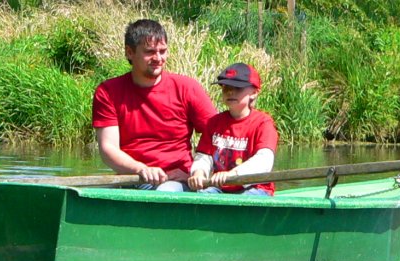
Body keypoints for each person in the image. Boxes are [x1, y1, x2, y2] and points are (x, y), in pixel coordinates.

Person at [91, 19, 216, 191]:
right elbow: (108, 148)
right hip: (132, 177)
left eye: (163, 51)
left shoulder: (187, 88)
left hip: (177, 182)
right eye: (150, 52)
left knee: (165, 190)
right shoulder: (108, 92)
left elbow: (217, 136)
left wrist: (196, 172)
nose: (158, 58)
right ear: (129, 52)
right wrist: (141, 169)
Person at [187, 62, 278, 196]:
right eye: (226, 88)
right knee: (203, 195)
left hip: (256, 188)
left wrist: (233, 174)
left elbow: (264, 161)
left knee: (245, 200)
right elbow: (204, 157)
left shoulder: (263, 123)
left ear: (254, 93)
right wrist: (198, 173)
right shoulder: (214, 123)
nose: (230, 92)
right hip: (220, 187)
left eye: (237, 88)